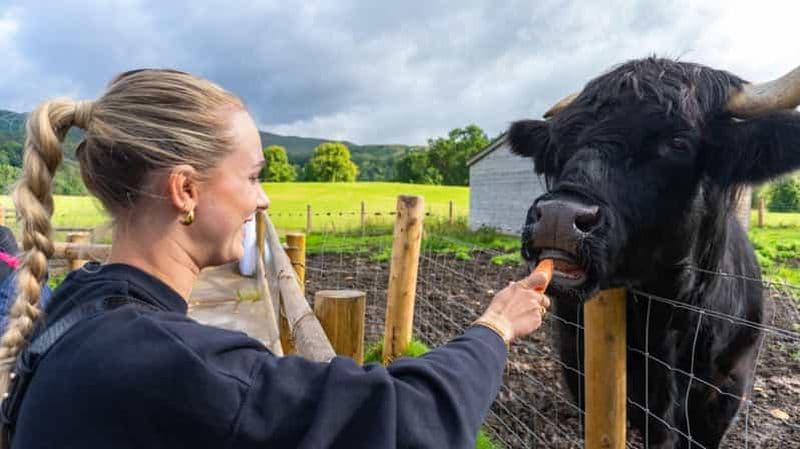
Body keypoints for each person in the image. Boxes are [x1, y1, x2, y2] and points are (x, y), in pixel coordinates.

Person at [0, 69, 550, 448]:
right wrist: (495, 325)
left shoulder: (76, 309)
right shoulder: (175, 366)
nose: (262, 198)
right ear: (185, 190)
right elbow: (412, 421)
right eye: (253, 175)